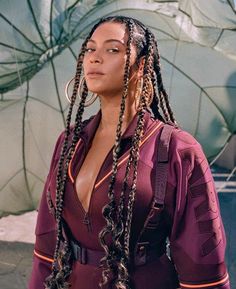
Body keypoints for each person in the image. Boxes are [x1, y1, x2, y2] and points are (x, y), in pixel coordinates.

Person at [28, 15, 231, 289]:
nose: (94, 58)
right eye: (90, 48)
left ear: (142, 65)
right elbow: (46, 245)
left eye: (112, 49)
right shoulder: (69, 141)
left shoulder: (177, 149)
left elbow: (203, 266)